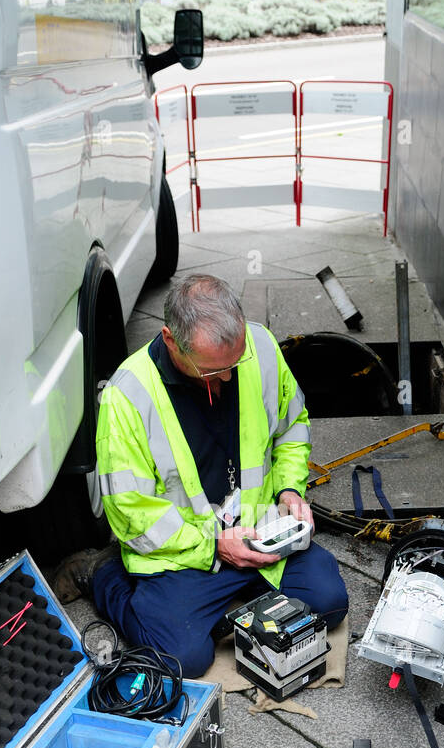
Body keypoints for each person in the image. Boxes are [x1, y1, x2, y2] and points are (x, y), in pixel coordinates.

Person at [53, 273, 348, 677]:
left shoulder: (259, 347)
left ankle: (233, 594)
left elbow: (292, 427)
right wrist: (214, 545)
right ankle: (101, 573)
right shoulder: (127, 397)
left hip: (259, 532)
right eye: (212, 372)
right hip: (184, 553)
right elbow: (131, 514)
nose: (227, 378)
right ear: (171, 341)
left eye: (234, 364)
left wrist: (289, 491)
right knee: (184, 660)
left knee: (329, 603)